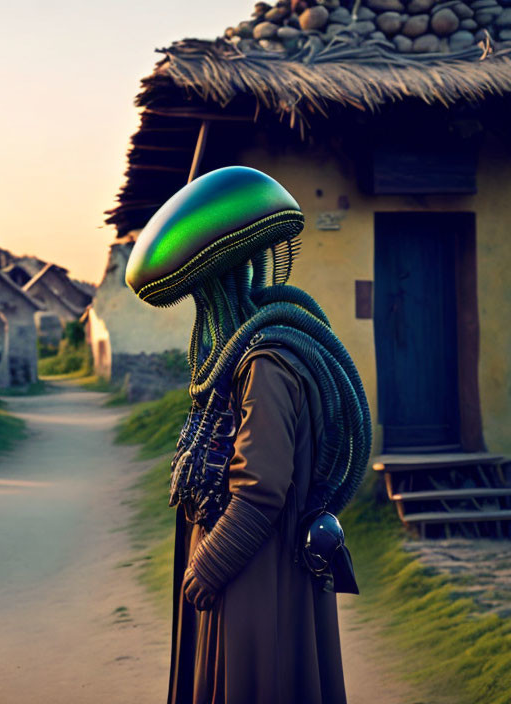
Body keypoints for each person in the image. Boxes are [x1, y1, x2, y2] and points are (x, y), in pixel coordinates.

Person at [124, 166, 370, 704]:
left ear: (217, 281)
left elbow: (261, 489)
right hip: (245, 574)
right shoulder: (245, 357)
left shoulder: (266, 363)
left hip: (257, 577)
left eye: (202, 289)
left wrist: (211, 564)